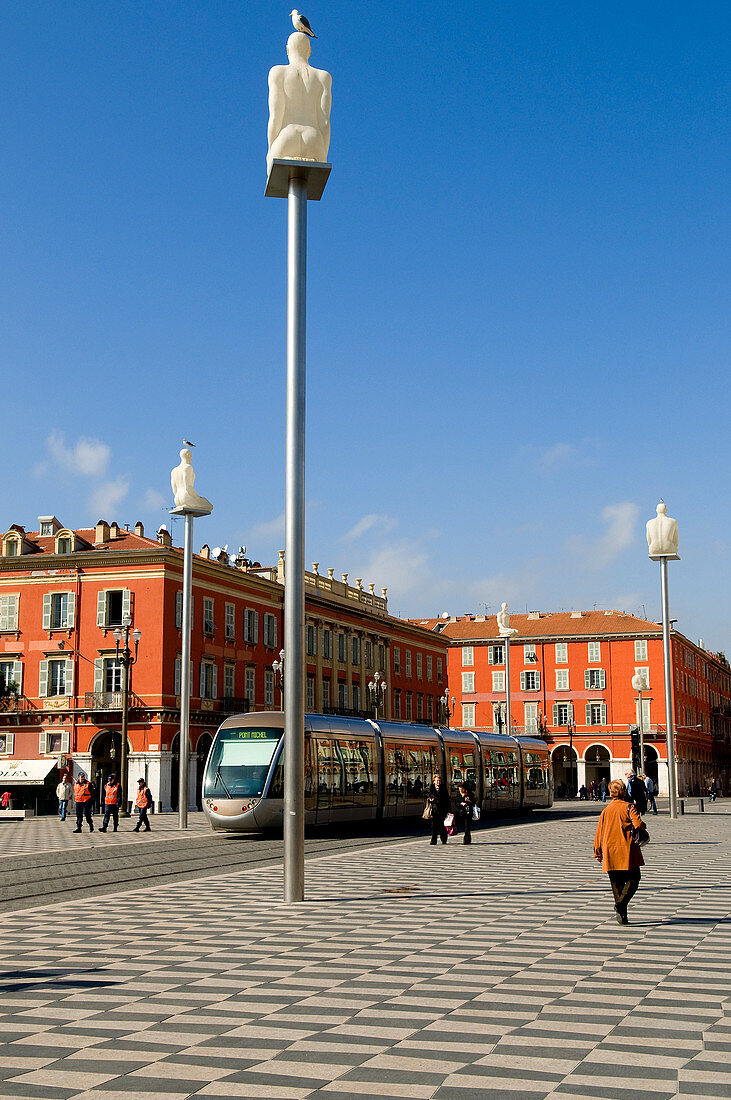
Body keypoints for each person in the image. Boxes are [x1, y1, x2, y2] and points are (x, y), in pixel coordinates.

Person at [593, 779, 646, 924]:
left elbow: (599, 832)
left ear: (611, 793)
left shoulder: (606, 810)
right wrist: (643, 825)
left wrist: (597, 851)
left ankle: (622, 916)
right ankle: (621, 905)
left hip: (610, 851)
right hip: (626, 850)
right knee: (634, 879)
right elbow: (638, 824)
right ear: (623, 791)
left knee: (616, 886)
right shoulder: (629, 807)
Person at [426, 774, 451, 846]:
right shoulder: (431, 788)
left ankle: (444, 839)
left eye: (439, 781)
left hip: (443, 809)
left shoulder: (443, 788)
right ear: (434, 781)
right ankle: (433, 840)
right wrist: (431, 800)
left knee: (442, 825)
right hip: (434, 810)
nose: (438, 782)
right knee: (434, 826)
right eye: (437, 781)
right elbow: (428, 796)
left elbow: (447, 799)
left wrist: (449, 810)